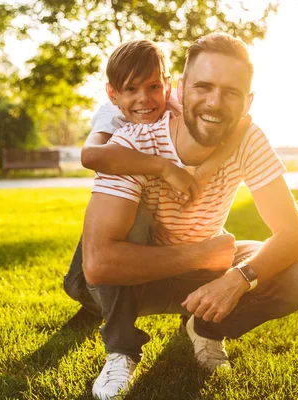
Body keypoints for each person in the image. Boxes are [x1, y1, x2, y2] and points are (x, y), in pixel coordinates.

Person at [82, 33, 298, 399]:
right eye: (203, 86)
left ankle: (204, 329)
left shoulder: (249, 139)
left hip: (203, 274)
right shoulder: (131, 143)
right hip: (136, 280)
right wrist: (204, 254)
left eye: (231, 92)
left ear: (247, 100)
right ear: (183, 88)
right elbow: (99, 264)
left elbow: (295, 236)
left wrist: (238, 277)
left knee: (292, 276)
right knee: (118, 239)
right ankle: (121, 351)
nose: (215, 102)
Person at [64, 39, 250, 316]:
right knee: (124, 229)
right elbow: (91, 156)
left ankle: (194, 311)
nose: (144, 98)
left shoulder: (177, 104)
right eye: (131, 89)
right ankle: (93, 302)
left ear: (168, 84)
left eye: (153, 87)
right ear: (113, 95)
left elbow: (241, 126)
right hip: (123, 207)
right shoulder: (112, 115)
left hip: (168, 214)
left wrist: (202, 173)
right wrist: (164, 168)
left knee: (201, 233)